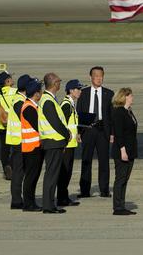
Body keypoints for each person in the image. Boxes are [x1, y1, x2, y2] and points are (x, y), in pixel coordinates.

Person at [78, 65, 113, 198]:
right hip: (88, 130)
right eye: (96, 76)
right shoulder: (84, 93)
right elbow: (79, 113)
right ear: (91, 77)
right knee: (86, 160)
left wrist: (112, 133)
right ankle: (85, 190)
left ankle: (104, 189)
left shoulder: (109, 93)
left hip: (103, 129)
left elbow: (111, 115)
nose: (99, 79)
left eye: (101, 76)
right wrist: (79, 132)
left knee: (104, 161)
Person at [38, 73, 71, 213]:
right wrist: (66, 134)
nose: (60, 83)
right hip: (52, 142)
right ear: (53, 83)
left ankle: (50, 204)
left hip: (54, 142)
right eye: (58, 81)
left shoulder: (49, 99)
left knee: (52, 174)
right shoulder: (47, 100)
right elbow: (55, 122)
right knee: (51, 174)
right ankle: (48, 205)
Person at [111, 87, 138, 215]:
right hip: (122, 150)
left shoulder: (128, 111)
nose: (132, 97)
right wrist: (123, 150)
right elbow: (118, 133)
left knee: (125, 179)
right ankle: (117, 207)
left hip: (130, 150)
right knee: (120, 178)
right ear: (125, 97)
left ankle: (122, 205)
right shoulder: (119, 112)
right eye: (131, 95)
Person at [57, 79, 82, 207]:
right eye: (78, 89)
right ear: (71, 91)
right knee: (64, 173)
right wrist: (63, 143)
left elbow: (71, 124)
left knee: (67, 172)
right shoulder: (66, 105)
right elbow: (62, 125)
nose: (80, 91)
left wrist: (76, 134)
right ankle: (61, 198)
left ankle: (64, 197)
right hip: (66, 145)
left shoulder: (71, 104)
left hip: (71, 144)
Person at [20, 79, 44, 212]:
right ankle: (28, 204)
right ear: (36, 93)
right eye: (39, 91)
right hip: (31, 148)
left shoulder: (32, 106)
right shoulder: (29, 108)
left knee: (33, 176)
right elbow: (38, 126)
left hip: (34, 147)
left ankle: (30, 202)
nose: (41, 93)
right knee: (31, 176)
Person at [7, 74, 30, 208]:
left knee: (20, 171)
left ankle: (17, 199)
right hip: (19, 142)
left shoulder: (20, 99)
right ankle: (16, 201)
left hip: (19, 141)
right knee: (18, 172)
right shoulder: (19, 102)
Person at [0, 69, 14, 180]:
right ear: (7, 81)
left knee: (4, 149)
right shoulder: (15, 92)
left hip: (3, 126)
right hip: (14, 126)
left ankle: (6, 169)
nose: (12, 79)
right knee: (17, 148)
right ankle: (12, 166)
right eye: (10, 78)